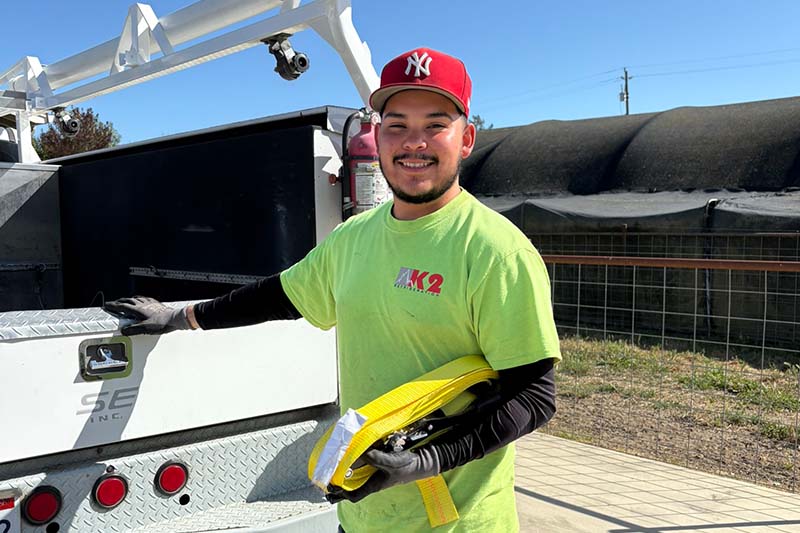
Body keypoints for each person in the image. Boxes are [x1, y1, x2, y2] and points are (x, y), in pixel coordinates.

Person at [105, 47, 561, 532]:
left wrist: (428, 460)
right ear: (378, 135)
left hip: (456, 523)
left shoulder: (494, 250)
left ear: (465, 138)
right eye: (398, 125)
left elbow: (533, 396)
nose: (414, 142)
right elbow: (280, 294)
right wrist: (183, 317)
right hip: (361, 515)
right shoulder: (354, 237)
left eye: (435, 124)